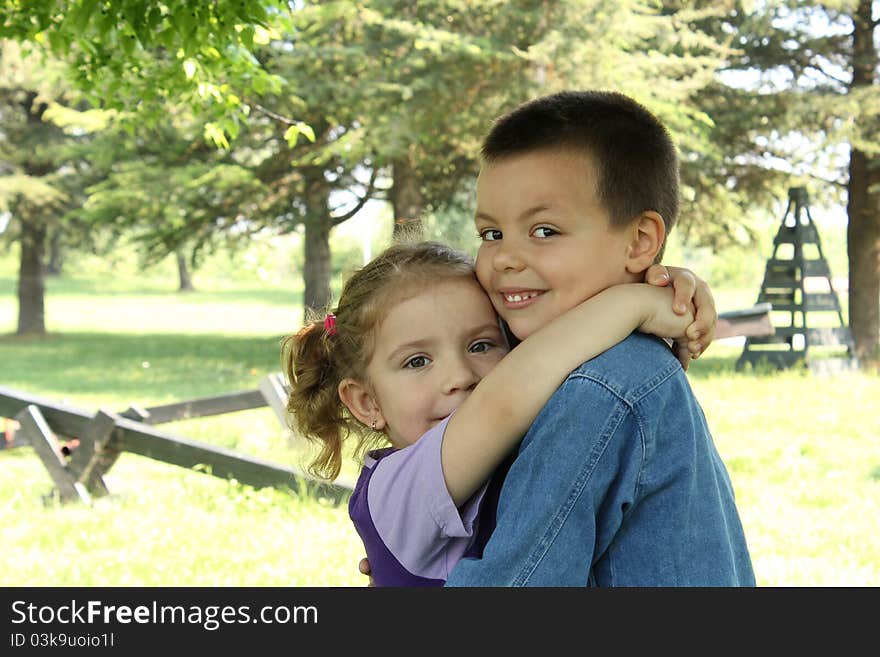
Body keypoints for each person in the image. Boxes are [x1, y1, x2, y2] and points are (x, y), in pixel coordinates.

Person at [435, 89, 754, 586]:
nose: (504, 259)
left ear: (640, 242)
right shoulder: (564, 358)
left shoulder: (602, 390)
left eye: (544, 231)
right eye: (491, 234)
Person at [283, 240, 706, 586]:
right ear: (367, 403)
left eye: (481, 345)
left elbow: (555, 347)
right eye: (417, 361)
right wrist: (634, 304)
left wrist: (671, 288)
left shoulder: (516, 438)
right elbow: (505, 400)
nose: (461, 376)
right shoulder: (396, 489)